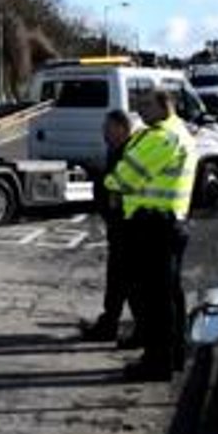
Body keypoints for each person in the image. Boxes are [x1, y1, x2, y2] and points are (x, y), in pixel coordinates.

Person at [104, 87, 196, 381]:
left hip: (155, 225)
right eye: (138, 104)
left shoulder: (161, 137)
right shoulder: (175, 130)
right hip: (168, 222)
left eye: (146, 104)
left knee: (157, 299)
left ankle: (158, 362)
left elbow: (125, 177)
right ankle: (174, 355)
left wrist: (110, 180)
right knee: (170, 295)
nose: (140, 110)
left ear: (164, 105)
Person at [80, 110, 142, 343]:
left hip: (127, 226)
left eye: (107, 129)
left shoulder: (129, 153)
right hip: (118, 225)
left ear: (121, 128)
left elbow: (122, 186)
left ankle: (129, 327)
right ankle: (110, 323)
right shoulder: (116, 150)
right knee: (119, 279)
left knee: (127, 280)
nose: (103, 134)